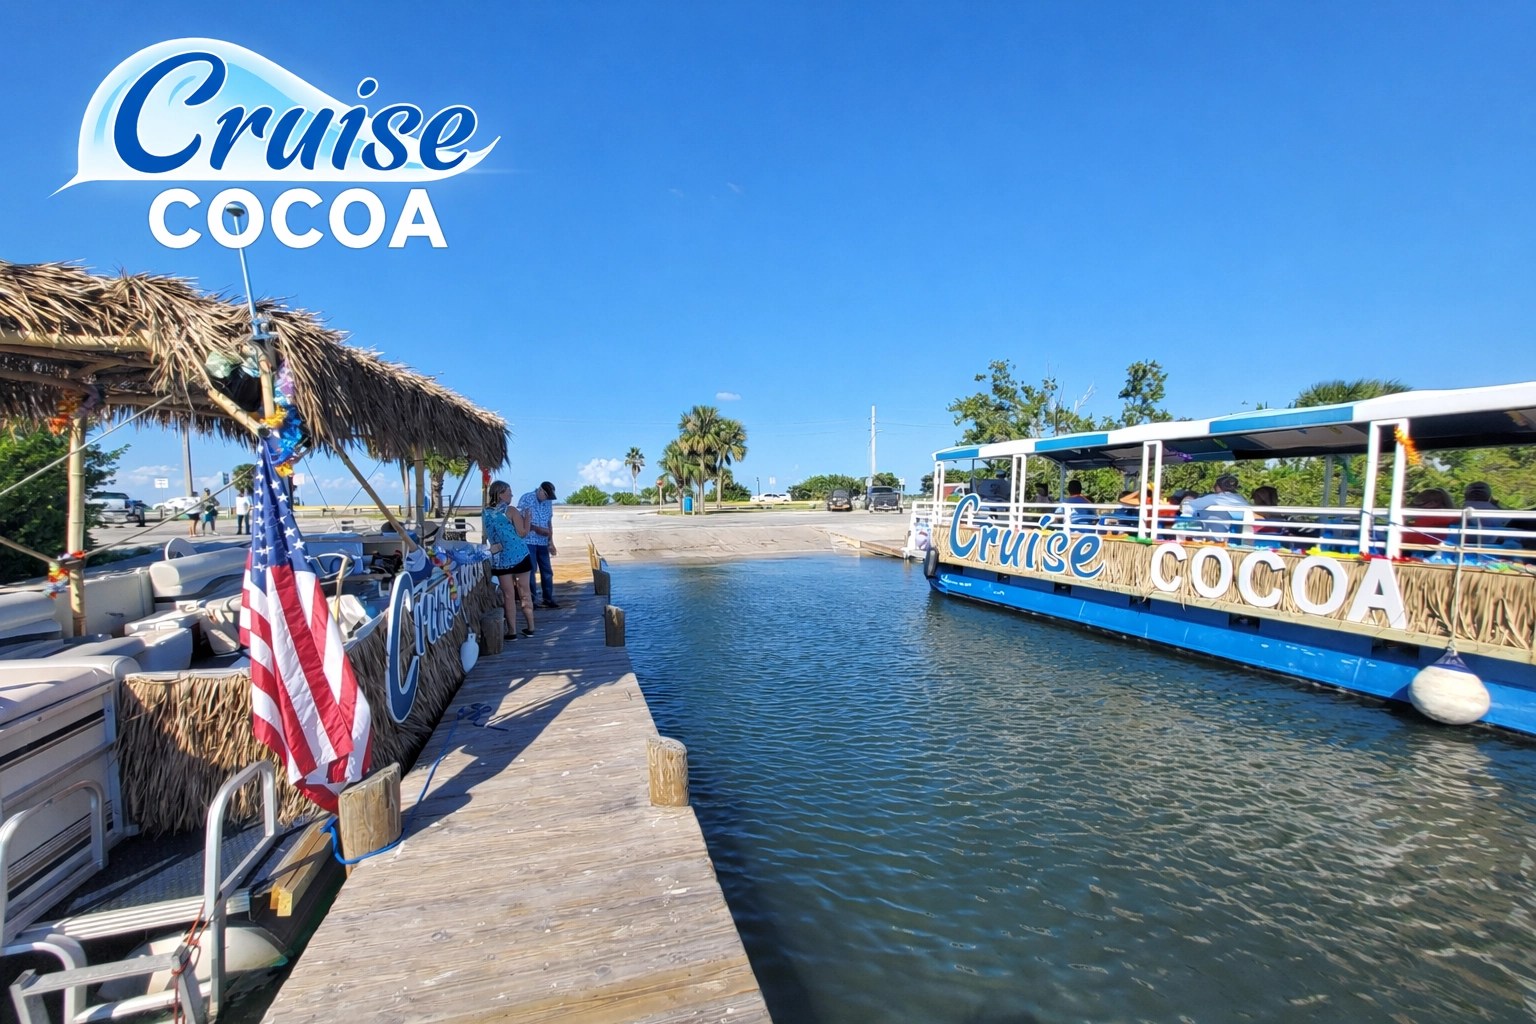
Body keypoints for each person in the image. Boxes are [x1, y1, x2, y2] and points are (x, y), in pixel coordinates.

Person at [483, 480, 536, 639]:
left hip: (500, 559)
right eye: (509, 492)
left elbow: (488, 534)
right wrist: (527, 519)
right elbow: (522, 533)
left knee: (508, 595)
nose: (512, 495)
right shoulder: (510, 510)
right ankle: (530, 628)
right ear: (500, 494)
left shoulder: (485, 512)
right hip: (519, 555)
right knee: (525, 592)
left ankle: (511, 631)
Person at [518, 481, 559, 608]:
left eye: (549, 497)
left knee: (547, 570)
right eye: (545, 495)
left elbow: (549, 522)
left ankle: (548, 598)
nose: (546, 498)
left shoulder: (548, 502)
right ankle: (532, 599)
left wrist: (551, 542)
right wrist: (536, 529)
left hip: (543, 542)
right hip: (529, 541)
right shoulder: (526, 498)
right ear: (540, 490)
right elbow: (520, 521)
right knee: (531, 570)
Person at [1182, 474, 1249, 533]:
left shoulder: (1216, 498)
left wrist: (1187, 498)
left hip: (1221, 532)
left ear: (1218, 487)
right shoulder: (1240, 498)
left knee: (1191, 511)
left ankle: (1184, 535)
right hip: (1241, 530)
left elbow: (1191, 505)